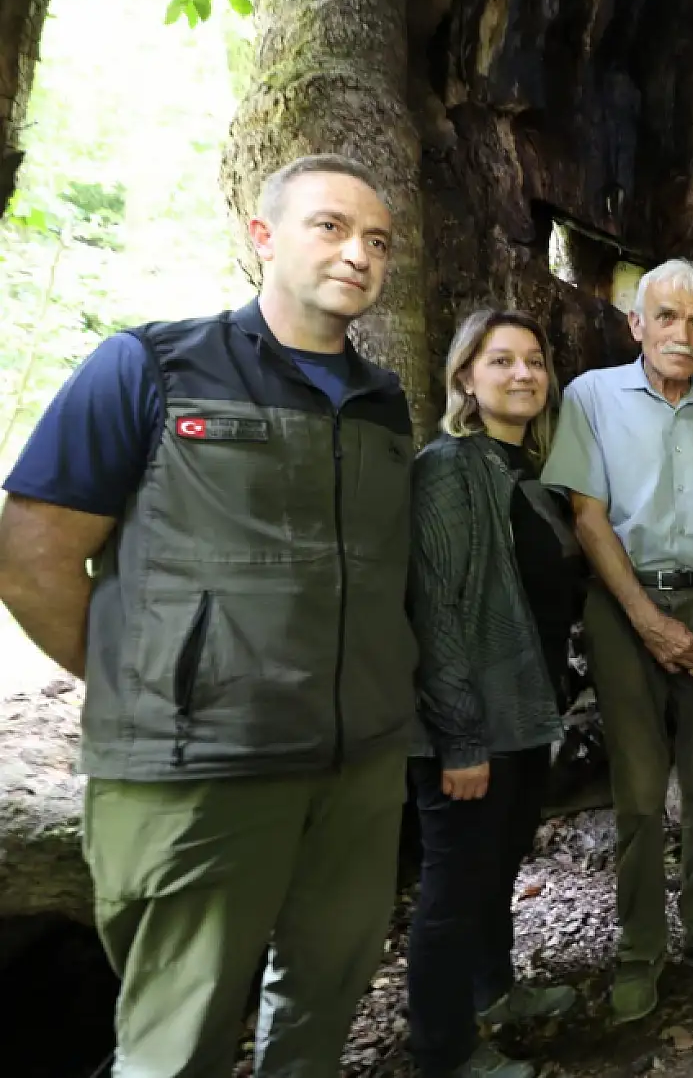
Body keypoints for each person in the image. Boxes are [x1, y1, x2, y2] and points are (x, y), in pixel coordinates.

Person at [0, 154, 416, 1075]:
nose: (358, 253)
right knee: (175, 1037)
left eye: (377, 241)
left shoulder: (386, 405)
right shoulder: (149, 364)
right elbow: (30, 552)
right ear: (263, 237)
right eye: (331, 227)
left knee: (323, 1000)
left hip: (358, 764)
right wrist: (156, 677)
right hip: (204, 769)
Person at [542, 258, 693, 1024]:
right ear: (636, 323)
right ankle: (639, 947)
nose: (683, 333)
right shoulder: (591, 397)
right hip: (624, 607)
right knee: (637, 792)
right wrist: (644, 618)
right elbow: (587, 516)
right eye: (666, 317)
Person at [407, 310, 585, 1078]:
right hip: (470, 720)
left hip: (525, 707)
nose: (523, 374)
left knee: (500, 859)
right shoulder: (447, 467)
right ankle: (443, 1052)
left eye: (535, 361)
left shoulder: (530, 476)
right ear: (465, 378)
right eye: (501, 360)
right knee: (454, 886)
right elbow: (434, 605)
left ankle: (494, 991)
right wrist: (461, 736)